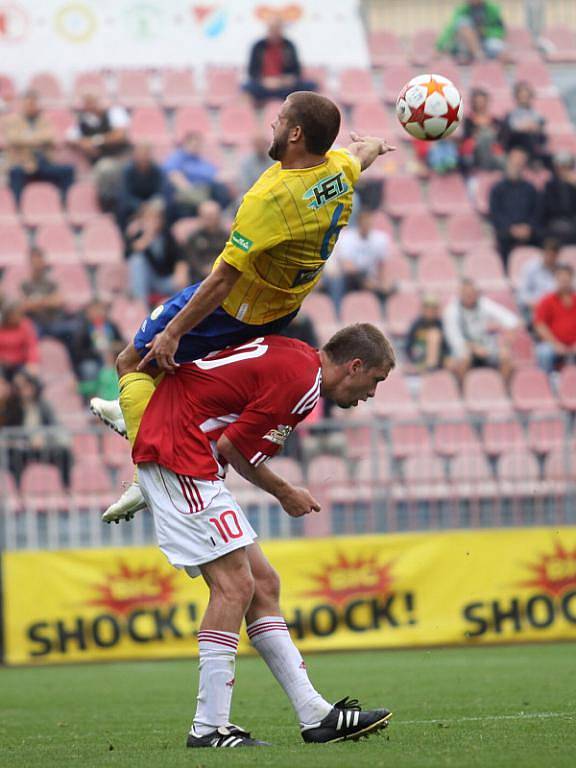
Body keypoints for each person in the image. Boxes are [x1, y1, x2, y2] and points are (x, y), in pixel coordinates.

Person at [90, 90, 394, 522]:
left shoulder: (271, 201)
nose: (272, 124)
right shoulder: (339, 170)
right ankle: (131, 415)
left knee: (132, 363)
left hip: (236, 305)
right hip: (279, 304)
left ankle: (149, 481)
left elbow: (223, 279)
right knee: (160, 381)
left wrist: (174, 332)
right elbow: (358, 155)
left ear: (295, 133)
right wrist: (375, 146)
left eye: (279, 118)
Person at [132, 324, 395, 747]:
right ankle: (209, 728)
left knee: (263, 585)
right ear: (355, 365)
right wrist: (285, 492)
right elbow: (235, 449)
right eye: (375, 381)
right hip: (178, 451)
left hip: (186, 449)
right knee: (234, 585)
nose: (371, 394)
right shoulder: (302, 384)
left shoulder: (296, 357)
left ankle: (315, 715)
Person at [3, 90, 75, 205]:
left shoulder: (44, 120)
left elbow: (50, 137)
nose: (31, 107)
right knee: (15, 172)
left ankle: (65, 205)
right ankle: (17, 208)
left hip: (43, 164)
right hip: (22, 164)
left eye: (34, 104)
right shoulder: (13, 121)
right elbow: (13, 139)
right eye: (28, 104)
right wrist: (39, 140)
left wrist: (26, 139)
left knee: (68, 170)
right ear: (22, 104)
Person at [5, 371, 73, 488]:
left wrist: (44, 439)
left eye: (26, 386)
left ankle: (66, 488)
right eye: (19, 387)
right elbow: (9, 432)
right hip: (21, 449)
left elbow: (54, 427)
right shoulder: (13, 407)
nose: (23, 391)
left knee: (64, 453)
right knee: (14, 457)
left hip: (43, 447)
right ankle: (17, 490)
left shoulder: (43, 406)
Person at [443, 279, 519, 382]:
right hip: (465, 348)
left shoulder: (484, 304)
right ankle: (464, 391)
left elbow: (512, 321)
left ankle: (501, 389)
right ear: (460, 293)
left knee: (506, 357)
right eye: (466, 293)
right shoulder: (451, 311)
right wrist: (474, 348)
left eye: (472, 292)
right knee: (463, 358)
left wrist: (505, 345)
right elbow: (455, 340)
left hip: (487, 347)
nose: (470, 296)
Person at [67, 92, 131, 210]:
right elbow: (70, 138)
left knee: (107, 169)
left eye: (91, 102)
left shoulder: (113, 113)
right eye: (86, 103)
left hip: (121, 157)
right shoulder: (83, 121)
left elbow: (119, 135)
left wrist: (95, 141)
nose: (89, 106)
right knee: (104, 168)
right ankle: (108, 205)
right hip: (102, 162)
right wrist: (83, 143)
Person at [325, 210, 391, 315]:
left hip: (370, 277)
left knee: (387, 289)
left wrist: (381, 282)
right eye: (365, 222)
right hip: (350, 278)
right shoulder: (348, 238)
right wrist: (365, 279)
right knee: (336, 282)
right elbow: (347, 266)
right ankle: (337, 313)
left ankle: (383, 315)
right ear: (359, 223)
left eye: (369, 222)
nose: (367, 225)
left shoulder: (380, 239)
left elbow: (381, 264)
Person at [243, 17, 317, 106]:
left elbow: (296, 71)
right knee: (246, 87)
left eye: (277, 28)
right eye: (272, 29)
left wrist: (286, 79)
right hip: (264, 85)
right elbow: (252, 71)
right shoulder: (258, 46)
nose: (274, 32)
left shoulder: (289, 45)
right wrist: (263, 80)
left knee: (310, 86)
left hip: (285, 85)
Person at [488, 148, 541, 269]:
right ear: (508, 163)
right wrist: (511, 228)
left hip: (528, 230)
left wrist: (529, 227)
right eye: (515, 162)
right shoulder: (497, 189)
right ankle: (506, 272)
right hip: (507, 230)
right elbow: (495, 213)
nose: (517, 166)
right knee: (503, 239)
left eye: (520, 163)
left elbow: (537, 211)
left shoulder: (530, 188)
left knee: (544, 238)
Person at [163, 131, 231, 219]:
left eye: (199, 145)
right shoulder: (177, 157)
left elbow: (215, 175)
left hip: (205, 190)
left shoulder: (201, 160)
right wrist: (191, 191)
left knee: (222, 188)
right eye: (194, 144)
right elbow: (173, 174)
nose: (197, 147)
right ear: (186, 144)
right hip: (188, 194)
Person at [124, 200, 178, 306]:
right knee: (137, 261)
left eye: (157, 218)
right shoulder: (136, 234)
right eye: (149, 218)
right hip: (145, 280)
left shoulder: (166, 235)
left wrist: (181, 269)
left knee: (182, 285)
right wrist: (148, 235)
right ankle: (141, 306)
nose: (154, 221)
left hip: (164, 279)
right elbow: (128, 254)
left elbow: (179, 255)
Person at [19, 247, 76, 345]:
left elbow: (58, 301)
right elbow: (23, 306)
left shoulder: (52, 282)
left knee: (74, 330)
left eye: (40, 261)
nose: (38, 265)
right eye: (35, 262)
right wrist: (47, 301)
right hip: (36, 323)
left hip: (55, 322)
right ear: (30, 263)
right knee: (29, 335)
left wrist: (36, 302)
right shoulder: (24, 284)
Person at [69, 299, 124, 400]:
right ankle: (93, 399)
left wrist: (114, 347)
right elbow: (78, 351)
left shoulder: (112, 326)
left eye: (100, 310)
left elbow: (122, 344)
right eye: (94, 310)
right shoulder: (83, 329)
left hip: (113, 358)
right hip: (92, 359)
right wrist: (95, 352)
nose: (98, 313)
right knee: (90, 369)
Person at [174, 201, 229, 288]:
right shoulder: (193, 238)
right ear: (200, 217)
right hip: (198, 279)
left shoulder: (227, 237)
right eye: (207, 216)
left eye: (213, 215)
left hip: (222, 276)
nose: (210, 218)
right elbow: (190, 259)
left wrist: (215, 269)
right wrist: (205, 269)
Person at [534, 263, 576, 373]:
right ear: (556, 280)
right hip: (553, 344)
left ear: (571, 279)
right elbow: (540, 325)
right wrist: (555, 344)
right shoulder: (547, 300)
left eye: (566, 279)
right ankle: (547, 384)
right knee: (543, 352)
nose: (564, 283)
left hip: (574, 343)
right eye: (561, 279)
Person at [436, 0, 506, 63]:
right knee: (463, 23)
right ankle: (477, 55)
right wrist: (440, 46)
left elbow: (500, 30)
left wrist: (485, 32)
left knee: (498, 48)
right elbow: (451, 28)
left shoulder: (491, 9)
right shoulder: (462, 9)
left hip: (486, 40)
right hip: (467, 43)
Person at [117, 143, 165, 231]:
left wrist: (150, 205)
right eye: (141, 154)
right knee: (121, 208)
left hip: (152, 207)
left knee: (160, 210)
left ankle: (148, 240)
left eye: (146, 154)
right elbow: (125, 195)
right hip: (133, 206)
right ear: (135, 155)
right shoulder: (127, 171)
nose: (143, 157)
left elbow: (160, 192)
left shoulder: (157, 170)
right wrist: (140, 205)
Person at [501, 81, 548, 165]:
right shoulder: (510, 114)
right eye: (521, 95)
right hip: (516, 146)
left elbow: (539, 129)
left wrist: (527, 127)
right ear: (516, 97)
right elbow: (511, 130)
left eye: (526, 95)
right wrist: (526, 127)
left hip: (533, 145)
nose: (524, 98)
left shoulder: (538, 114)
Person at [459, 88, 504, 173]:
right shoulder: (468, 120)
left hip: (492, 151)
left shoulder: (495, 120)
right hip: (474, 152)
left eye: (482, 101)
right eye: (477, 101)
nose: (480, 104)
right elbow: (466, 136)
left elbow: (499, 137)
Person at [517, 237, 561, 323]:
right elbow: (522, 294)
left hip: (559, 309)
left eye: (553, 255)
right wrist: (536, 304)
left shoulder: (564, 268)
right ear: (542, 253)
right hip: (536, 308)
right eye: (548, 254)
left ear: (557, 255)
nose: (550, 258)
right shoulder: (530, 268)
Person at [405, 295, 451, 374]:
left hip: (437, 359)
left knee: (434, 334)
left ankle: (431, 368)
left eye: (433, 309)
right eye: (428, 308)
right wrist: (412, 360)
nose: (430, 311)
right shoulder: (416, 324)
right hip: (418, 355)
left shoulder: (441, 325)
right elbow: (408, 345)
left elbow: (446, 347)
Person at [541, 152, 576, 244]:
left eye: (568, 167)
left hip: (572, 221)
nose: (564, 170)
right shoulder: (550, 186)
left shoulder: (573, 185)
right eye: (562, 167)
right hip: (555, 222)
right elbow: (550, 209)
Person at [0, 300, 40, 378]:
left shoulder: (25, 325)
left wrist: (33, 362)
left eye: (20, 315)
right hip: (2, 363)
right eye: (14, 315)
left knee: (30, 381)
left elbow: (31, 346)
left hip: (19, 363)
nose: (18, 318)